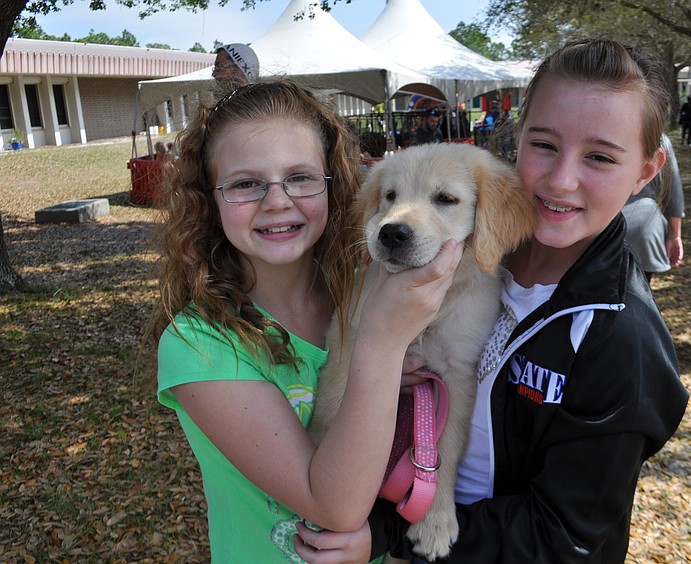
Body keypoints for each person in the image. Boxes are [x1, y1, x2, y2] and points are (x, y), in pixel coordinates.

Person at [296, 39, 689, 563]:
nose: (561, 179)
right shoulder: (470, 259)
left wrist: (386, 535)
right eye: (544, 145)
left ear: (646, 170)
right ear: (517, 140)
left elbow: (567, 538)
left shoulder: (622, 343)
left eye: (599, 156)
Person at [144, 80, 463, 561]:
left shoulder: (363, 287)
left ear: (334, 184)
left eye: (300, 177)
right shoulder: (200, 344)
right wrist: (379, 349)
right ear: (208, 199)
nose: (277, 201)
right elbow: (334, 507)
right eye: (245, 183)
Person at [622, 133, 685, 284]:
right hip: (642, 234)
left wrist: (674, 236)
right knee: (637, 291)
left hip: (593, 233)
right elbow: (673, 192)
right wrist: (674, 235)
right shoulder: (657, 139)